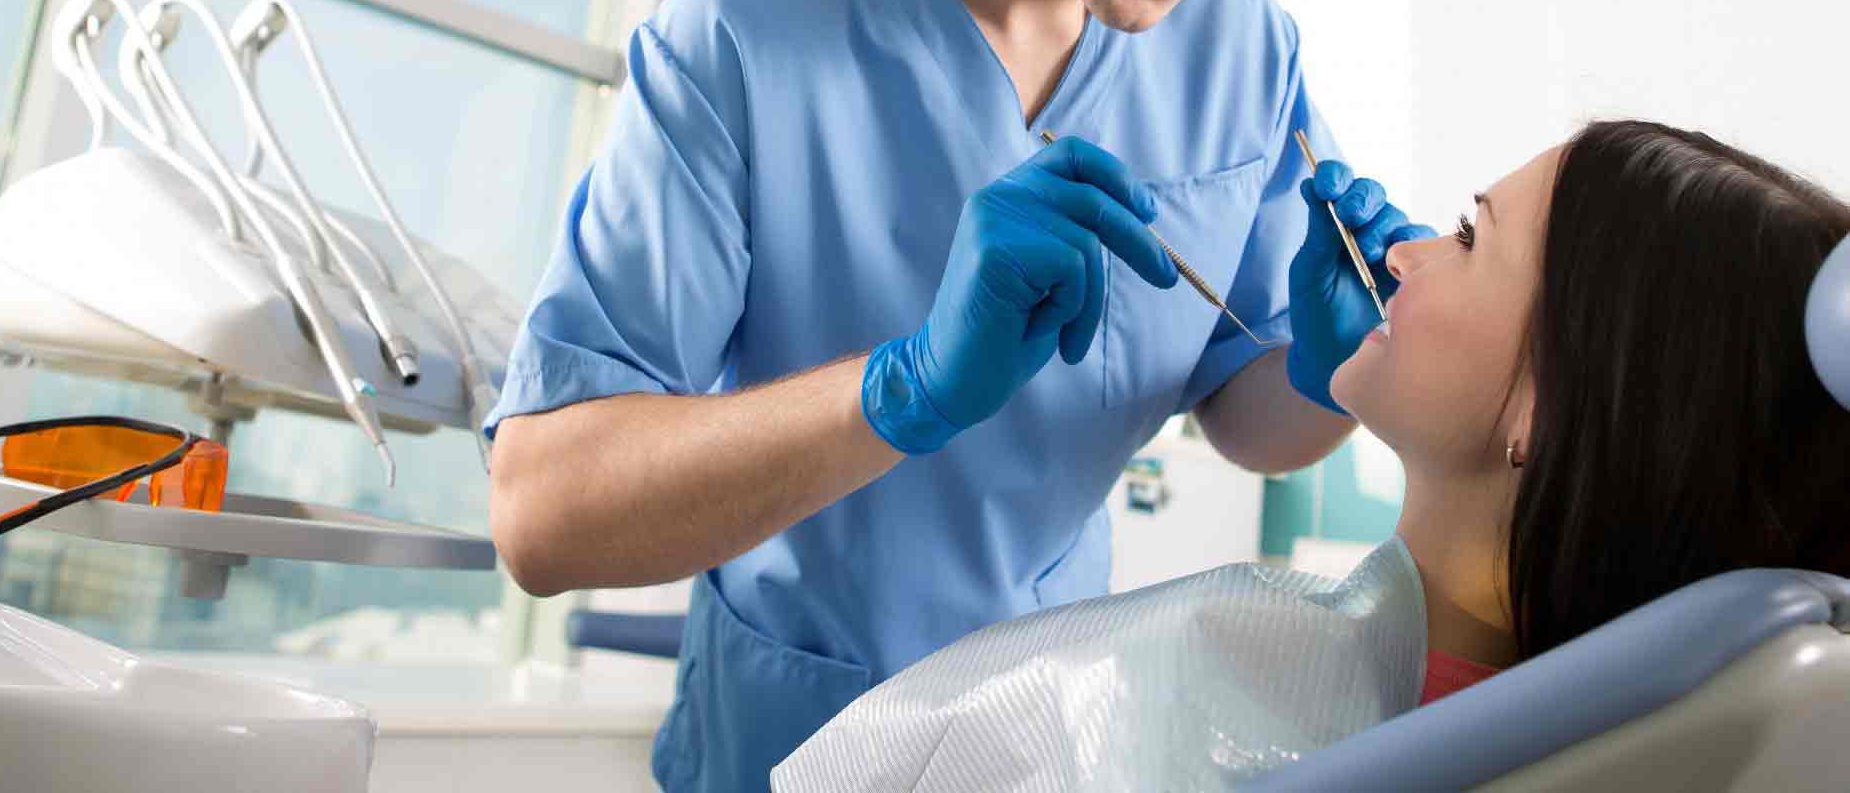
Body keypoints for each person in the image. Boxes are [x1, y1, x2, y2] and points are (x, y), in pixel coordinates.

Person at [486, 0, 1420, 792]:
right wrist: (904, 390)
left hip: (1052, 742)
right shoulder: (750, 29)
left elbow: (1248, 417)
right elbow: (545, 517)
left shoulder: (1242, 47)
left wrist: (1328, 371)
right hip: (787, 742)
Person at [778, 119, 1850, 790]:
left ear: (1548, 412)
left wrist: (910, 387)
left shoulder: (1208, 708)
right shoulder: (1593, 724)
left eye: (1469, 237)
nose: (1403, 251)